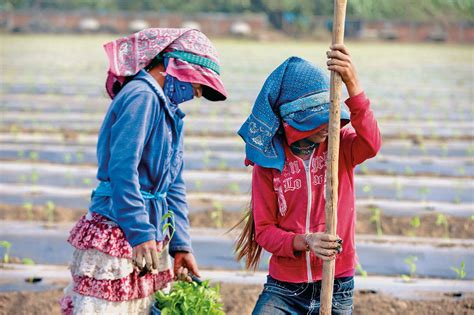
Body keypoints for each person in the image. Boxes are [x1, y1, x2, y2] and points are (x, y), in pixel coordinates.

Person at [60, 28, 227, 314]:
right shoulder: (142, 97)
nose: (197, 94)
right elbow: (123, 171)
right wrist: (139, 233)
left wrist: (181, 245)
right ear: (174, 66)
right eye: (199, 85)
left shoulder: (170, 110)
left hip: (149, 229)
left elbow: (173, 183)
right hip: (120, 224)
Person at [235, 44, 381, 314]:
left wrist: (352, 83)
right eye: (318, 118)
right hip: (285, 288)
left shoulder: (340, 146)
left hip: (336, 281)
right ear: (292, 121)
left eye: (330, 114)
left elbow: (371, 144)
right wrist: (306, 241)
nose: (328, 124)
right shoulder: (268, 163)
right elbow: (265, 231)